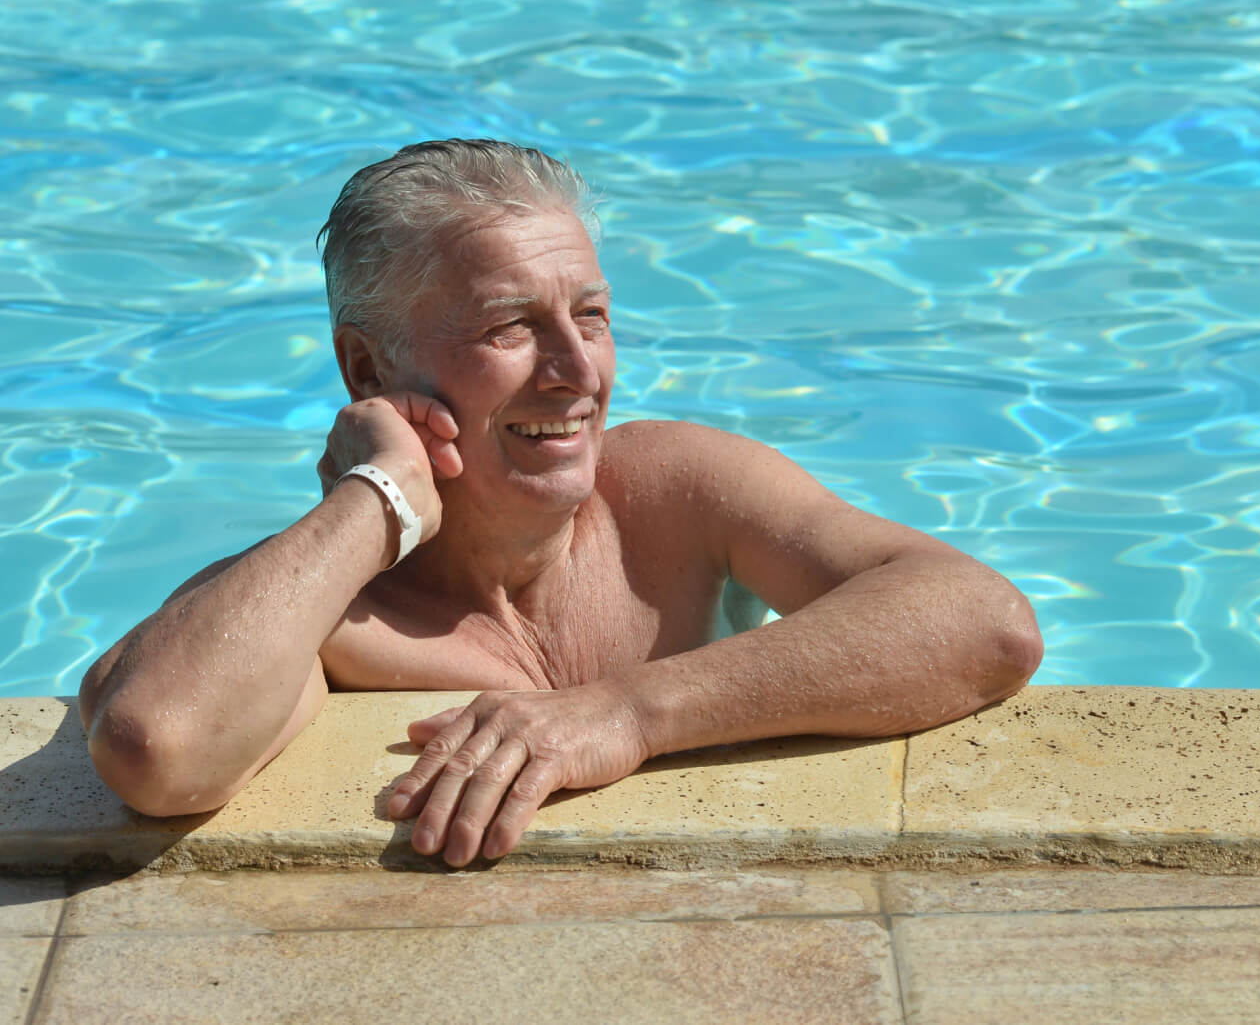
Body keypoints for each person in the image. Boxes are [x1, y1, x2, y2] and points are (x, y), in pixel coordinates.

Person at [78, 139, 1044, 867]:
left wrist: (625, 713)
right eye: (511, 327)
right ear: (367, 366)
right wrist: (371, 502)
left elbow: (985, 625)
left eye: (591, 315)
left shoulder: (676, 491)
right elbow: (158, 748)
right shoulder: (330, 613)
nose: (579, 372)